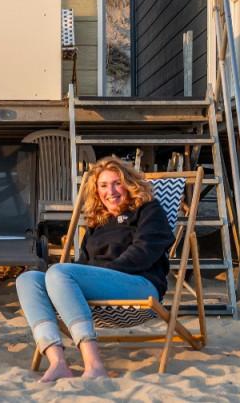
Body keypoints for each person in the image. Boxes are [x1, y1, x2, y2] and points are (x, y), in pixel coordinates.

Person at [16, 156, 174, 381]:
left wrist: (102, 273)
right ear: (96, 191)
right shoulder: (97, 222)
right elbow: (83, 264)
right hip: (100, 289)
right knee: (28, 279)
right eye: (103, 185)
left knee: (60, 271)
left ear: (129, 184)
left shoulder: (148, 210)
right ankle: (58, 361)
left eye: (116, 182)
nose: (111, 191)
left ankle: (94, 364)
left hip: (139, 285)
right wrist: (79, 278)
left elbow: (144, 251)